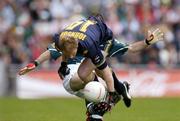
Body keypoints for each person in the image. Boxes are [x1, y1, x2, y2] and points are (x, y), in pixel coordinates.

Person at [19, 14, 163, 121]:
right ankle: (117, 91)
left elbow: (131, 48)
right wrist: (35, 63)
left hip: (90, 77)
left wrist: (147, 42)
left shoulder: (105, 42)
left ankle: (111, 96)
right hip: (73, 78)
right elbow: (51, 51)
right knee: (99, 68)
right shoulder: (71, 40)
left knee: (100, 73)